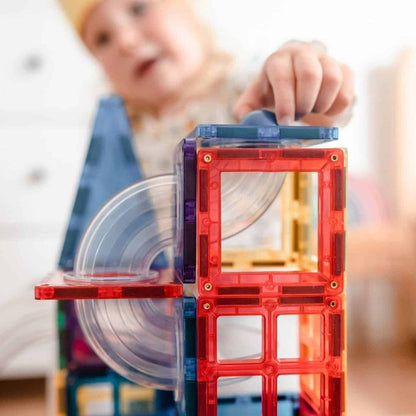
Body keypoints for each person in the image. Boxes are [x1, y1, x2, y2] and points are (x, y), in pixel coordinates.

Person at [59, 0, 354, 177]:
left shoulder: (246, 93)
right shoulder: (122, 137)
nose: (125, 42)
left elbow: (323, 115)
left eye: (138, 7)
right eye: (102, 39)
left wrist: (303, 74)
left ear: (188, 11)